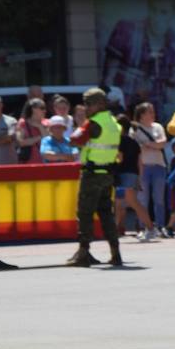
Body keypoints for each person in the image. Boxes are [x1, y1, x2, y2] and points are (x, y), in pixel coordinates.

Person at [66, 88, 122, 267]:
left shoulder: (93, 123)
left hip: (92, 175)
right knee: (106, 214)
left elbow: (74, 139)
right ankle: (115, 253)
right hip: (108, 175)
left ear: (100, 104)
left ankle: (83, 253)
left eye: (89, 104)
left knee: (85, 213)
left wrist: (81, 126)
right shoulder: (113, 122)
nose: (86, 108)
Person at [113, 112, 153, 241]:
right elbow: (139, 162)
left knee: (132, 203)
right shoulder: (134, 142)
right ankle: (114, 231)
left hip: (123, 174)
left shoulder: (119, 141)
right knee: (120, 204)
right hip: (133, 174)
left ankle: (151, 228)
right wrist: (139, 178)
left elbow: (119, 158)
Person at [131, 103, 168, 240]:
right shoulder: (134, 129)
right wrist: (154, 145)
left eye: (153, 111)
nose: (152, 114)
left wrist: (147, 144)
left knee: (159, 199)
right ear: (141, 115)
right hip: (142, 167)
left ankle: (160, 226)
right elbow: (136, 148)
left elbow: (163, 143)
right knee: (142, 199)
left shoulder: (158, 127)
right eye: (149, 112)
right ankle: (143, 227)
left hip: (159, 165)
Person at [15, 98, 48, 164]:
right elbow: (21, 142)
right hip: (28, 164)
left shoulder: (47, 122)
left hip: (45, 163)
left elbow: (48, 140)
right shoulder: (23, 123)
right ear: (33, 109)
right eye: (42, 108)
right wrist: (40, 137)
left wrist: (40, 126)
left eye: (45, 108)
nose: (45, 111)